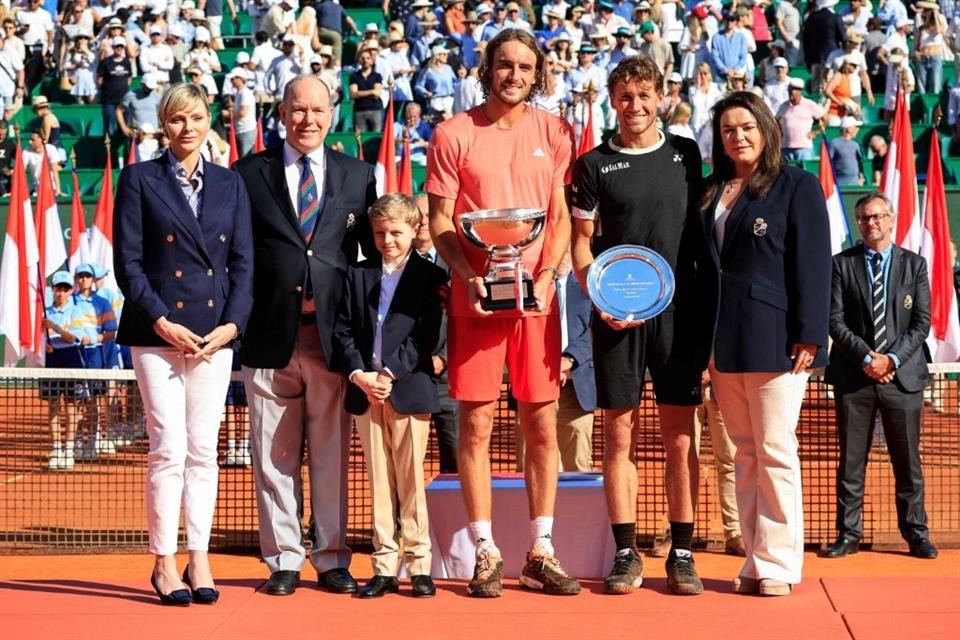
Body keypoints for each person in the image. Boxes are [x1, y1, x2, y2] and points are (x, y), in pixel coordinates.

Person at [426, 28, 580, 598]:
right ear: (487, 69)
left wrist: (544, 276)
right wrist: (468, 276)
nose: (513, 75)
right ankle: (484, 550)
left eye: (524, 66)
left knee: (541, 423)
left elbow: (560, 217)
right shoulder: (453, 133)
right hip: (475, 303)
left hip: (537, 302)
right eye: (503, 65)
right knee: (476, 424)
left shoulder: (556, 130)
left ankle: (541, 548)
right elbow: (441, 219)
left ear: (536, 73)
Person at [681, 91, 832, 597]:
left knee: (774, 450)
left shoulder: (797, 185)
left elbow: (814, 265)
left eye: (746, 127)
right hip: (724, 342)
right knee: (744, 453)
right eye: (727, 130)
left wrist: (810, 332)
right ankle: (754, 557)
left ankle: (779, 566)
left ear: (765, 128)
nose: (737, 136)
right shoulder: (709, 192)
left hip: (779, 342)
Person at [234, 74, 376, 597]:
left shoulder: (359, 175)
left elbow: (369, 260)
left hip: (333, 340)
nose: (308, 120)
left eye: (317, 110)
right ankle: (284, 559)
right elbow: (239, 257)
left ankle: (333, 557)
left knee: (331, 452)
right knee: (273, 458)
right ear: (282, 113)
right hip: (269, 337)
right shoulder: (248, 174)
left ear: (332, 113)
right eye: (298, 110)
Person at [112, 82, 254, 606]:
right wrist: (161, 321)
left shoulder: (229, 183)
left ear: (209, 120)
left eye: (195, 118)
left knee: (203, 452)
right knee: (167, 448)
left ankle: (200, 558)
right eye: (176, 120)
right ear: (164, 126)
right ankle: (164, 563)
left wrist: (232, 326)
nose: (186, 128)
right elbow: (127, 263)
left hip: (213, 337)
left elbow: (243, 262)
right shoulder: (138, 180)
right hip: (158, 335)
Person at [571, 55, 705, 596]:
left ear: (661, 98)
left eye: (645, 95)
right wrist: (595, 293)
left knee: (679, 438)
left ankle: (683, 552)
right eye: (625, 96)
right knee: (618, 435)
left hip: (678, 317)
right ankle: (626, 552)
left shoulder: (686, 154)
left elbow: (702, 236)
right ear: (612, 99)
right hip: (616, 318)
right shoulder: (593, 164)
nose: (636, 106)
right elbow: (582, 244)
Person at [332, 193, 447, 598]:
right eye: (380, 233)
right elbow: (343, 331)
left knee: (412, 480)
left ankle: (419, 566)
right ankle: (383, 566)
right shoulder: (357, 274)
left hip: (408, 391)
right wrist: (361, 374)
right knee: (378, 480)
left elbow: (425, 338)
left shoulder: (431, 278)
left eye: (396, 232)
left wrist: (388, 373)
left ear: (414, 230)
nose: (388, 240)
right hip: (366, 392)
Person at [821, 192, 938, 561]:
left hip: (902, 380)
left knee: (908, 463)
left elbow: (921, 323)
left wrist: (891, 360)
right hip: (854, 378)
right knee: (851, 463)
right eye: (864, 218)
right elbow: (834, 320)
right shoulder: (841, 265)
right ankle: (848, 534)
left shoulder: (914, 265)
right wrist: (867, 358)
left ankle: (916, 533)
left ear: (891, 219)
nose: (871, 223)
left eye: (877, 217)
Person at [412, 193, 459, 473]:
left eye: (428, 216)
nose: (421, 223)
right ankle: (402, 518)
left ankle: (458, 518)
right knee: (406, 462)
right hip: (406, 375)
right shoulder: (394, 265)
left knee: (455, 460)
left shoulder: (458, 264)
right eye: (416, 216)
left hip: (448, 376)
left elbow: (466, 319)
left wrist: (444, 358)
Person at [43, 271, 86, 471]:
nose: (60, 293)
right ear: (52, 290)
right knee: (53, 405)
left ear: (70, 291)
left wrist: (55, 328)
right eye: (58, 289)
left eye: (65, 289)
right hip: (51, 360)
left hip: (71, 358)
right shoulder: (44, 312)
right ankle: (56, 449)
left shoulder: (75, 312)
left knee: (71, 406)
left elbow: (73, 338)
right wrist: (44, 346)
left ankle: (68, 451)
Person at [777, 78, 825, 162]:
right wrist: (780, 132)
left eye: (793, 89)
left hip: (804, 147)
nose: (791, 92)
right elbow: (776, 121)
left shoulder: (809, 104)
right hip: (785, 147)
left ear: (800, 91)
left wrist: (815, 132)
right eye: (789, 89)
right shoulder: (783, 106)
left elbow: (825, 118)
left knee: (805, 173)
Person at [829, 117, 864, 186]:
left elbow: (859, 163)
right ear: (848, 129)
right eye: (855, 127)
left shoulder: (856, 145)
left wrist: (860, 177)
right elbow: (828, 162)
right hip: (839, 184)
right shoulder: (834, 143)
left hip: (855, 183)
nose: (857, 129)